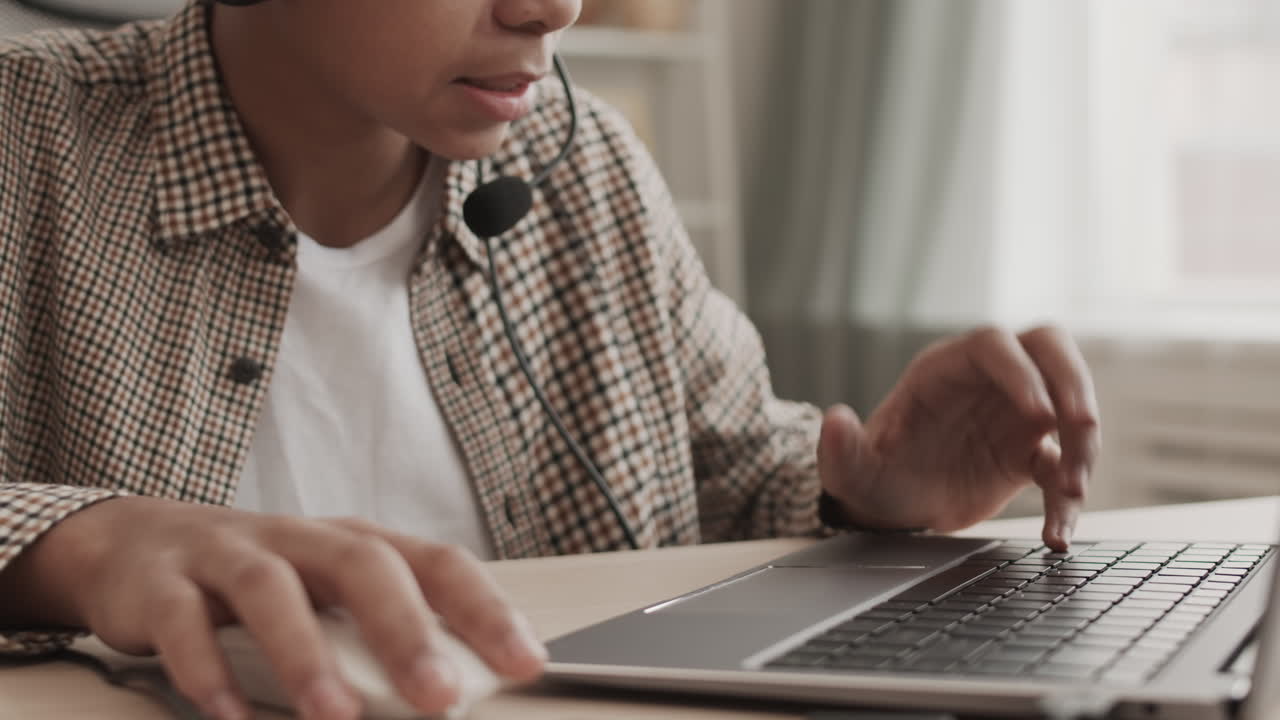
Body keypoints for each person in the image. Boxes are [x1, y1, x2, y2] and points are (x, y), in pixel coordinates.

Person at [0, 1, 1100, 718]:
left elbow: (728, 475)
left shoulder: (590, 174)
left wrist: (864, 495)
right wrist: (79, 549)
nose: (554, 6)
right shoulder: (24, 136)